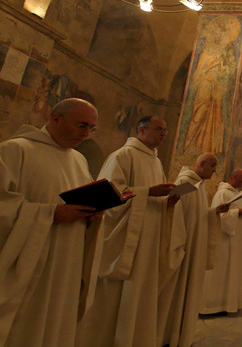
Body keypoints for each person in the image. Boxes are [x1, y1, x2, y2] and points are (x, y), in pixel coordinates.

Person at [0, 98, 102, 347]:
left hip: (67, 263)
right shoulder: (15, 150)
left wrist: (93, 214)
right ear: (56, 119)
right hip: (31, 262)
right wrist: (50, 214)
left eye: (91, 128)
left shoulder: (79, 161)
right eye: (81, 125)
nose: (86, 134)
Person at [77, 115, 185, 347]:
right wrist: (148, 193)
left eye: (165, 130)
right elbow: (108, 196)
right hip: (126, 240)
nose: (164, 133)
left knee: (140, 293)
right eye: (159, 129)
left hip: (148, 239)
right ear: (141, 130)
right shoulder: (123, 156)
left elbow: (151, 195)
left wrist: (166, 203)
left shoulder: (155, 162)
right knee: (116, 297)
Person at [163, 153, 231, 347]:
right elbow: (174, 213)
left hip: (194, 246)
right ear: (201, 164)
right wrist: (179, 247)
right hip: (185, 248)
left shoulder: (198, 185)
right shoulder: (185, 183)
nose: (215, 171)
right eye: (212, 166)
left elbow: (198, 214)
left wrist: (214, 212)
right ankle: (172, 336)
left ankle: (183, 335)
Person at [201, 168, 242, 314]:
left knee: (233, 269)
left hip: (236, 238)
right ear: (233, 177)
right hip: (225, 239)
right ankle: (214, 305)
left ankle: (229, 302)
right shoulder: (223, 193)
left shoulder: (236, 194)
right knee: (223, 270)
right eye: (241, 178)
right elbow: (219, 216)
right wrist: (237, 212)